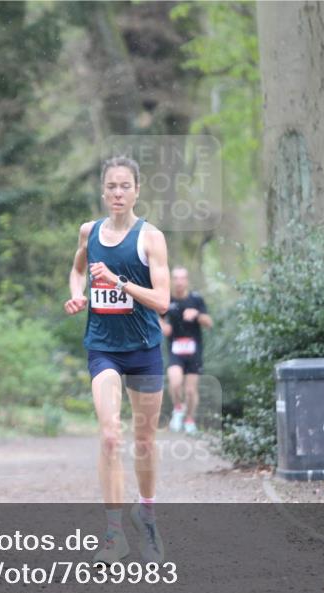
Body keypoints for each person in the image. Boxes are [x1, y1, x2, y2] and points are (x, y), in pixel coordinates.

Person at [64, 156, 170, 564]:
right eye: (111, 186)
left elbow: (162, 301)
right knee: (110, 436)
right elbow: (77, 269)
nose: (118, 193)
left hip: (143, 349)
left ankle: (146, 514)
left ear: (137, 191)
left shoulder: (151, 238)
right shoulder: (88, 232)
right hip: (102, 347)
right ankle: (113, 535)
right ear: (103, 191)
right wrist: (79, 293)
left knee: (144, 442)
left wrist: (120, 282)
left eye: (125, 186)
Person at [161, 267, 212, 434]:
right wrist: (163, 327)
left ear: (187, 280)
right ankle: (178, 408)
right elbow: (158, 319)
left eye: (182, 278)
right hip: (175, 350)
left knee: (190, 390)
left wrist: (197, 315)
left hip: (193, 351)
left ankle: (190, 420)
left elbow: (208, 323)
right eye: (175, 278)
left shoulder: (196, 299)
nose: (179, 281)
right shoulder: (166, 300)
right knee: (175, 382)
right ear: (171, 280)